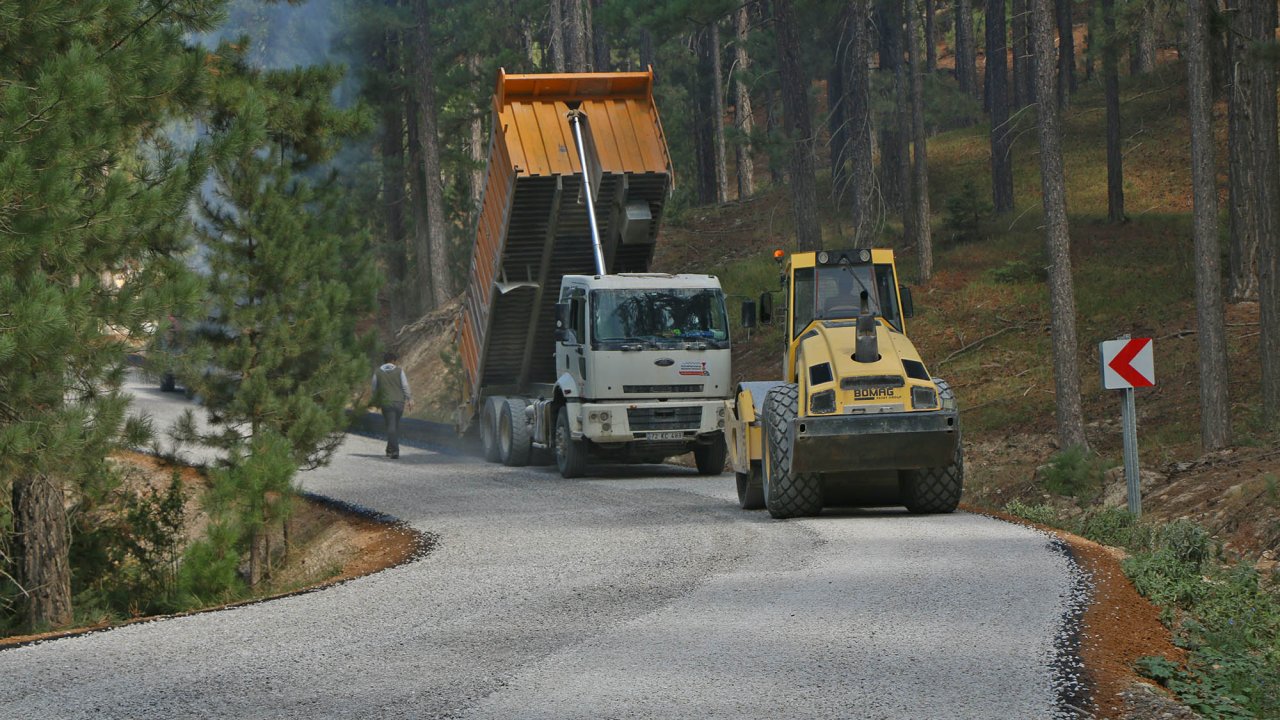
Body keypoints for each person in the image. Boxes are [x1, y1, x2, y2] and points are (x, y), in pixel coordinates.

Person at [372, 351, 412, 459]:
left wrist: (375, 401)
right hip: (399, 402)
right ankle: (390, 450)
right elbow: (405, 386)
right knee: (393, 425)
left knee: (391, 426)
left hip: (386, 402)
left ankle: (394, 451)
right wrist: (409, 399)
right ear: (394, 361)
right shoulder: (400, 371)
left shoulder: (378, 372)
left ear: (384, 361)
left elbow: (374, 389)